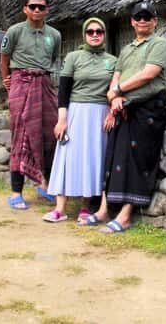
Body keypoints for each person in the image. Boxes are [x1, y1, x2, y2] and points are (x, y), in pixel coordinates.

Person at [82, 1, 166, 233]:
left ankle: (125, 215)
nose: (142, 20)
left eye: (147, 16)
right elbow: (116, 76)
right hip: (123, 108)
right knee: (112, 158)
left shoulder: (159, 44)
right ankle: (103, 210)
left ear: (155, 21)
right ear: (132, 21)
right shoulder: (127, 49)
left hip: (148, 109)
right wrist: (114, 99)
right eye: (138, 17)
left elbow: (148, 75)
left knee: (138, 160)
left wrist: (119, 91)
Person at [42, 17, 116, 223]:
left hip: (99, 114)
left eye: (99, 31)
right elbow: (64, 90)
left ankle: (85, 207)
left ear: (104, 34)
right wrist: (62, 119)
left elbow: (115, 90)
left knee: (93, 158)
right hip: (75, 112)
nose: (94, 35)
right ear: (84, 34)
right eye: (90, 31)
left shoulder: (112, 61)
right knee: (67, 156)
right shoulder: (73, 57)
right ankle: (59, 209)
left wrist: (111, 112)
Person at [0, 0, 62, 210]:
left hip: (44, 83)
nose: (37, 10)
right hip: (21, 81)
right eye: (33, 6)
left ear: (47, 10)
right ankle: (16, 192)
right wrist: (8, 81)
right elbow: (4, 58)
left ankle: (44, 185)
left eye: (41, 7)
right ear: (25, 9)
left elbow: (53, 58)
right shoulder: (15, 31)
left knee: (49, 134)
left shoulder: (54, 35)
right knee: (21, 134)